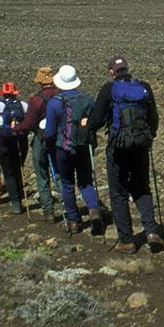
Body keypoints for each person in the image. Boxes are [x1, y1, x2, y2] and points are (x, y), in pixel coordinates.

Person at [90, 55, 163, 254]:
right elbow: (154, 118)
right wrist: (149, 137)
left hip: (118, 148)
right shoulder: (144, 87)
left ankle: (127, 240)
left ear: (111, 71)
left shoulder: (109, 90)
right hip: (140, 145)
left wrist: (87, 126)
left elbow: (95, 120)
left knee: (119, 192)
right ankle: (151, 231)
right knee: (142, 188)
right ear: (127, 69)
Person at [44, 65, 103, 235]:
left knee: (67, 183)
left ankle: (73, 220)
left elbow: (49, 131)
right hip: (84, 146)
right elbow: (95, 121)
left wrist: (49, 146)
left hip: (63, 148)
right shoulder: (87, 99)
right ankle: (93, 210)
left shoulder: (55, 103)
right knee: (85, 181)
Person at [20, 66, 60, 222]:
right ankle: (68, 209)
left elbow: (28, 124)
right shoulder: (61, 96)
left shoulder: (37, 100)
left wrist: (16, 128)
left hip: (41, 139)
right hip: (58, 138)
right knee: (60, 174)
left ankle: (48, 211)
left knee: (42, 175)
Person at [0, 82, 29, 214]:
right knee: (18, 168)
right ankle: (20, 195)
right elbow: (29, 122)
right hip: (19, 141)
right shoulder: (23, 105)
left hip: (2, 142)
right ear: (15, 93)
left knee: (8, 172)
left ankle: (15, 202)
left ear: (3, 93)